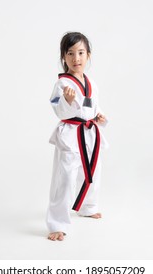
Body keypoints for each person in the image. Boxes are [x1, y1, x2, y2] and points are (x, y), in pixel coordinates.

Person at [46, 32, 109, 241]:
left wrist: (98, 115)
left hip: (90, 132)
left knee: (92, 170)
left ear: (88, 55)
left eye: (81, 52)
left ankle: (87, 207)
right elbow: (58, 110)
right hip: (71, 135)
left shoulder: (91, 82)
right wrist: (66, 100)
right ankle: (57, 224)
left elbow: (92, 105)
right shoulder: (62, 84)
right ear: (64, 57)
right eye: (71, 53)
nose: (76, 58)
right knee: (64, 178)